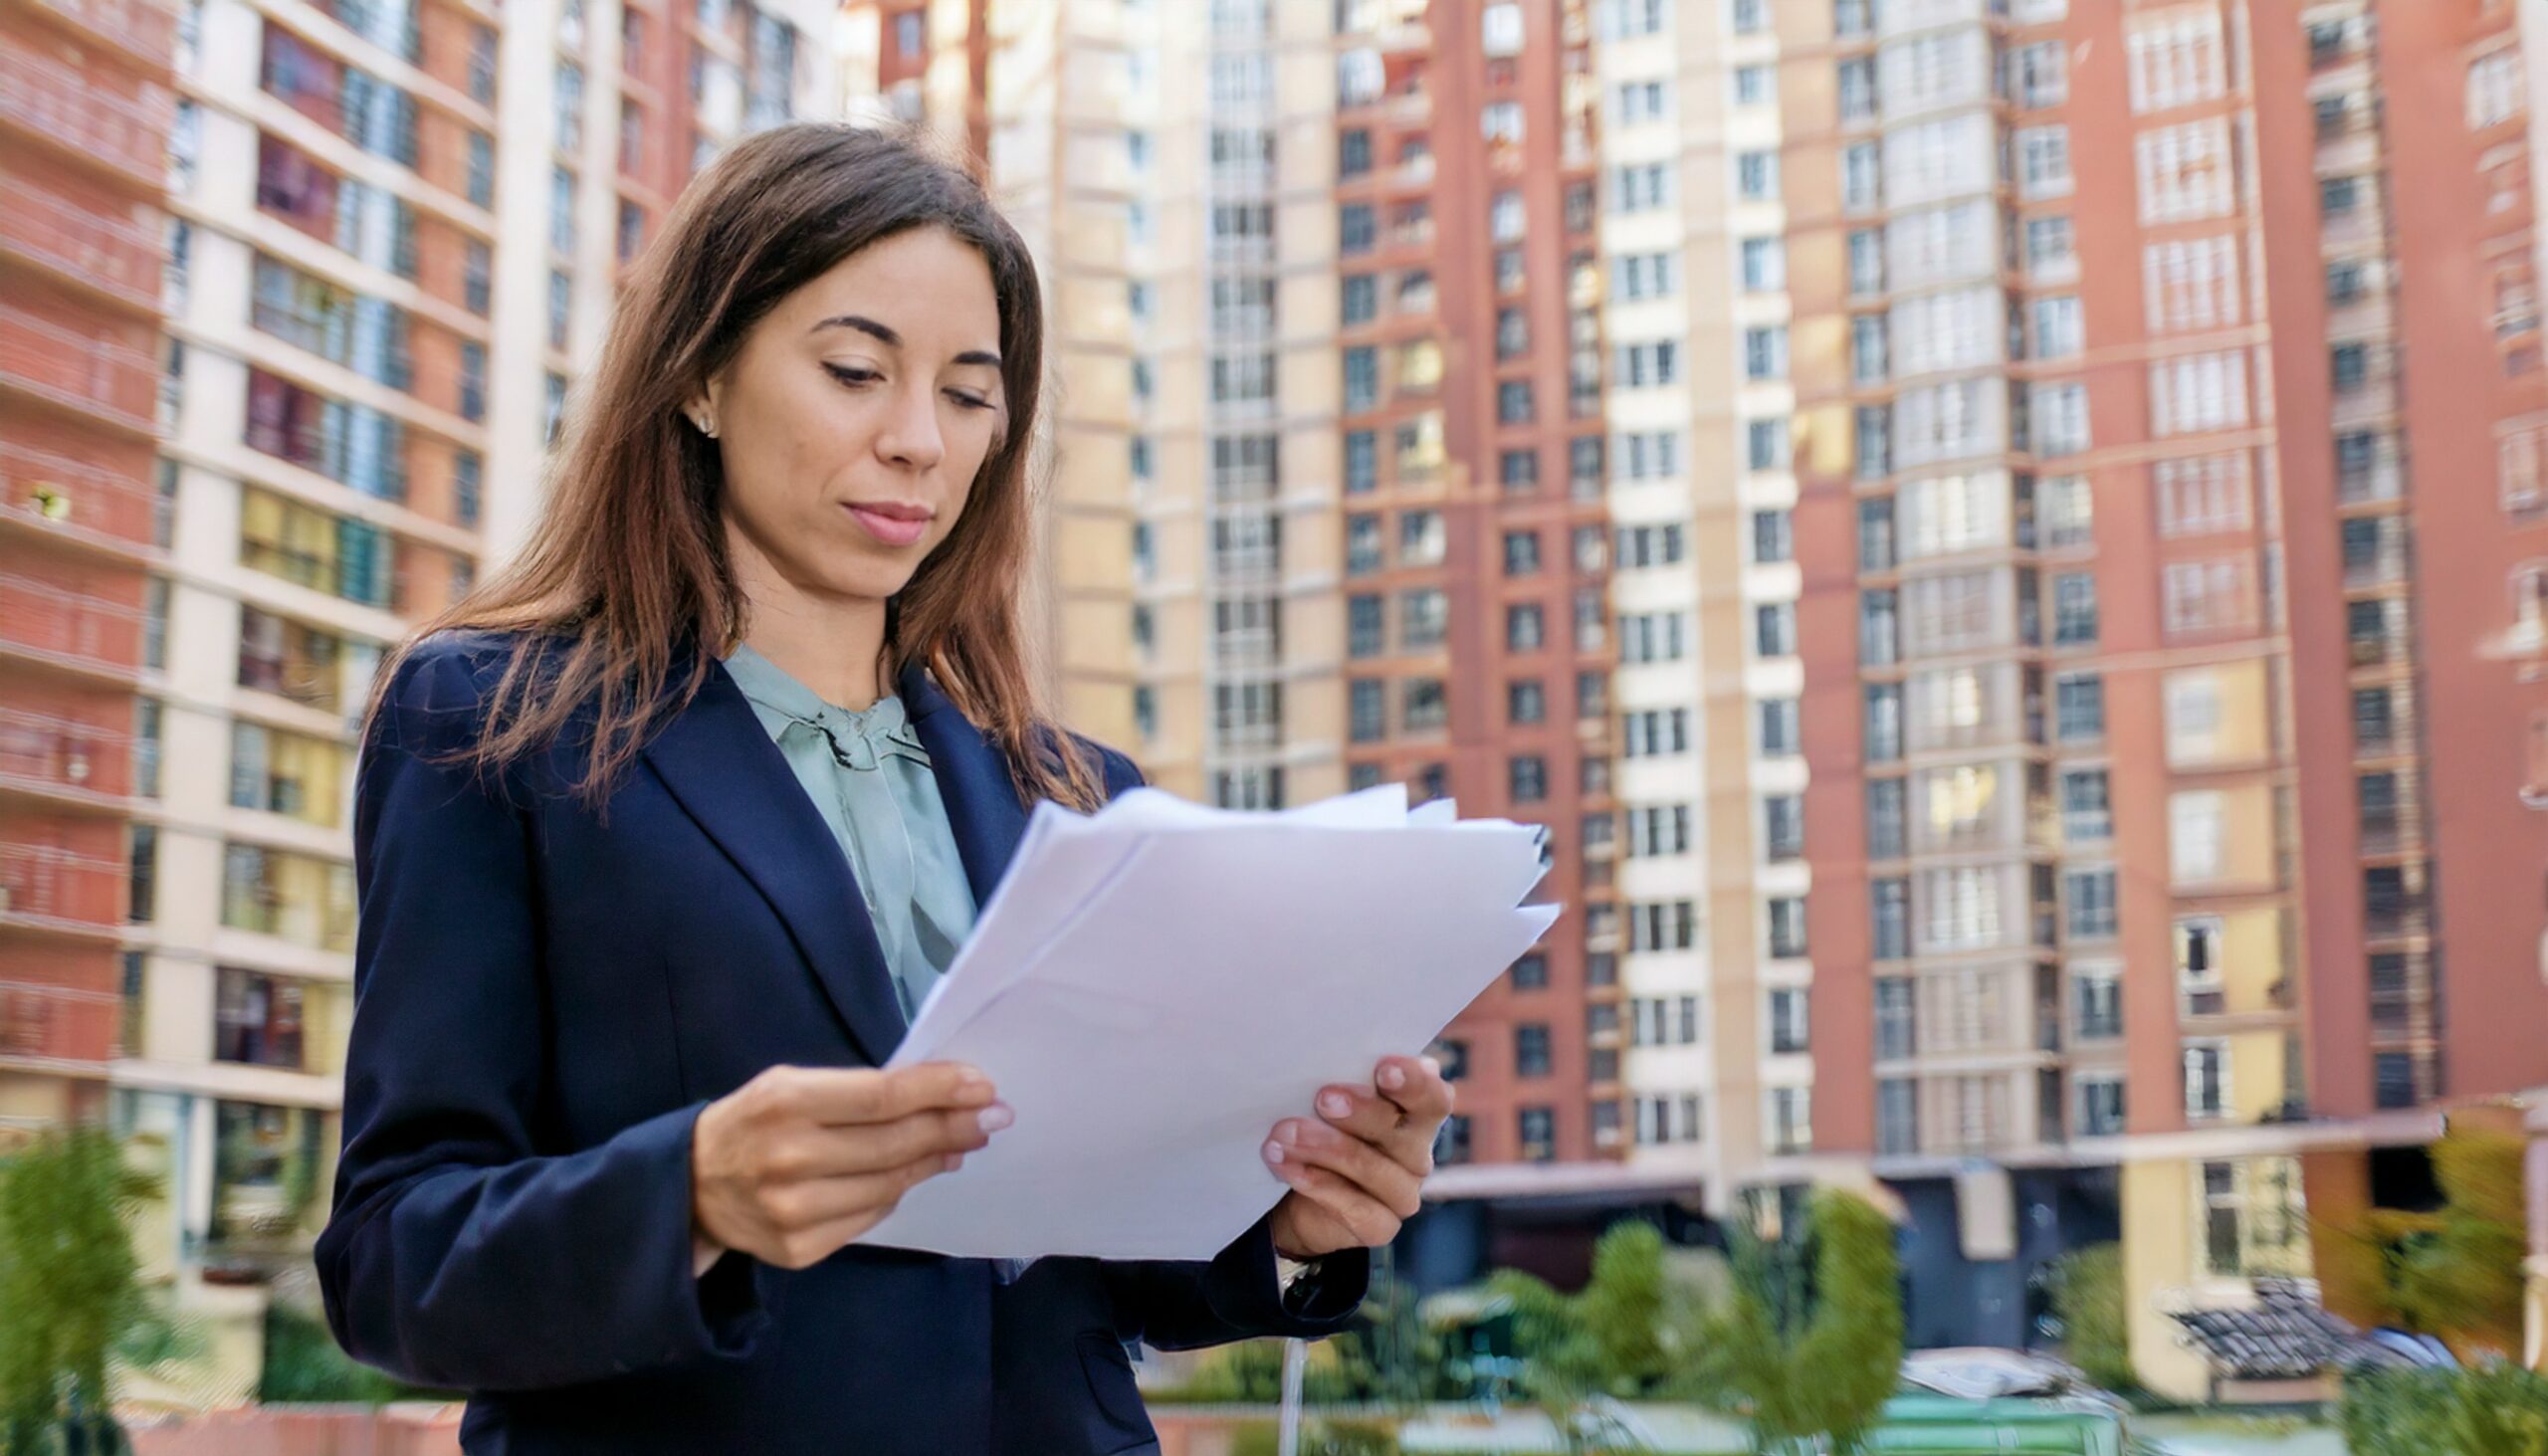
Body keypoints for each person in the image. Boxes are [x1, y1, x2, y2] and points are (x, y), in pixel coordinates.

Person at [316, 123, 1455, 1455]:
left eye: (970, 395)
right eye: (856, 371)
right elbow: (393, 1262)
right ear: (697, 376)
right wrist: (689, 1197)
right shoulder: (496, 726)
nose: (918, 441)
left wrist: (1293, 1225)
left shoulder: (1081, 798)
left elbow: (1095, 1267)